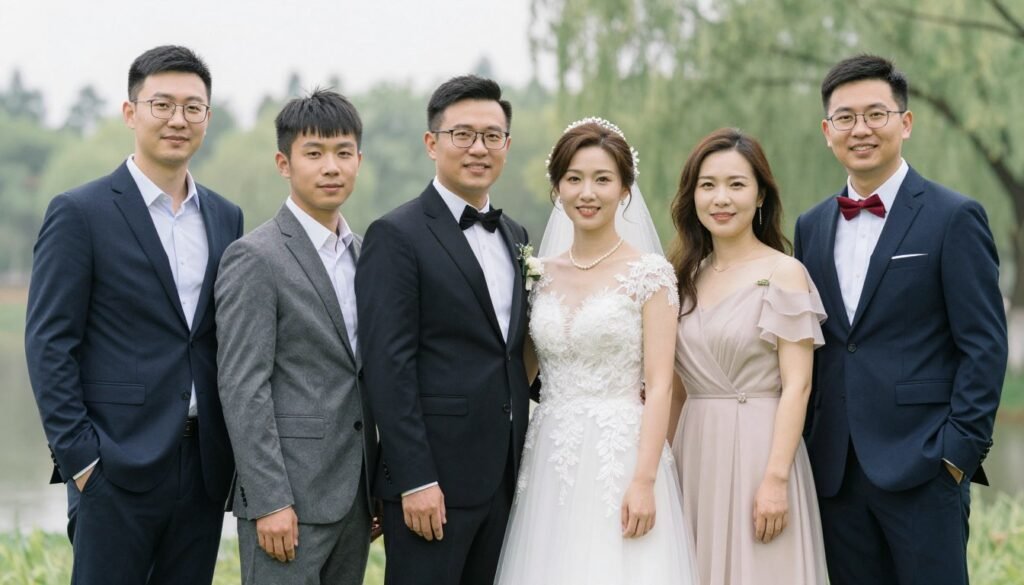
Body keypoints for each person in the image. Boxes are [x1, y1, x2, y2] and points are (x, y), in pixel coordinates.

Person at [23, 45, 243, 584]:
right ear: (131, 112)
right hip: (113, 467)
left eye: (193, 107)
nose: (178, 119)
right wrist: (81, 462)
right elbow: (49, 343)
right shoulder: (80, 212)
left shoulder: (224, 216)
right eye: (162, 104)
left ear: (207, 119)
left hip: (202, 469)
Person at [794, 55, 1006, 585]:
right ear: (827, 131)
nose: (860, 129)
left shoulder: (953, 216)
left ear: (904, 123)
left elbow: (984, 346)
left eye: (875, 114)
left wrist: (956, 455)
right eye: (845, 117)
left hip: (924, 467)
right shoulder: (811, 226)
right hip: (835, 473)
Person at [495, 118, 698, 584]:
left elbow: (662, 384)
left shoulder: (650, 274)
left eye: (602, 179)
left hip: (621, 455)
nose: (588, 192)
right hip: (549, 453)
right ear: (557, 188)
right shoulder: (538, 273)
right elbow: (520, 370)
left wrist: (645, 480)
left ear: (625, 189)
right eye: (574, 179)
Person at [355, 75, 531, 585]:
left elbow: (510, 354)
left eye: (492, 136)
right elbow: (389, 368)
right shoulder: (396, 235)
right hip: (433, 485)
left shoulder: (516, 235)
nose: (479, 148)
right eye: (463, 135)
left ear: (507, 145)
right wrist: (415, 479)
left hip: (505, 476)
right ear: (432, 143)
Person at [215, 89, 377, 585]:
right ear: (284, 163)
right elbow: (244, 386)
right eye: (314, 153)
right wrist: (270, 501)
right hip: (288, 500)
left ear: (358, 160)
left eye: (343, 153)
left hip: (356, 497)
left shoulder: (366, 253)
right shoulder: (255, 257)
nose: (331, 166)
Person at [667, 128, 827, 584]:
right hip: (694, 448)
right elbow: (676, 389)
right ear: (692, 196)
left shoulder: (784, 272)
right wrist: (660, 467)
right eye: (708, 185)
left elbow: (798, 385)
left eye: (736, 185)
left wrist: (776, 479)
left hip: (762, 447)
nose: (721, 198)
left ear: (760, 196)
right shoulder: (682, 277)